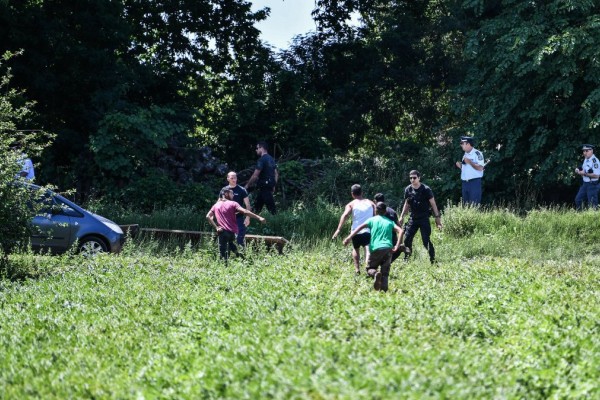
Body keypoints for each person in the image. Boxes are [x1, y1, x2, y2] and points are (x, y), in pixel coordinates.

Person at [343, 202, 403, 292]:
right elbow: (401, 231)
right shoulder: (390, 222)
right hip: (388, 249)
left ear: (376, 211)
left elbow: (358, 228)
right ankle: (384, 291)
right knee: (385, 273)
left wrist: (349, 238)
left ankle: (375, 274)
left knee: (370, 269)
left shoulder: (371, 220)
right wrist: (397, 245)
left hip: (376, 249)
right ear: (385, 211)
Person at [206, 187, 266, 261]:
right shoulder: (233, 203)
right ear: (226, 194)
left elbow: (208, 216)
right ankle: (243, 260)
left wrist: (216, 227)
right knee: (233, 248)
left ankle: (231, 263)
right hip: (232, 233)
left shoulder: (216, 205)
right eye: (231, 193)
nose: (233, 195)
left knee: (223, 254)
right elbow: (245, 211)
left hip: (222, 232)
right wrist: (259, 217)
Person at [399, 170, 443, 264]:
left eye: (414, 178)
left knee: (425, 240)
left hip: (424, 218)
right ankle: (407, 259)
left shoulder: (426, 189)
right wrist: (402, 216)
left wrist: (437, 218)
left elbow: (433, 204)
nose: (412, 180)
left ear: (419, 178)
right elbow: (406, 204)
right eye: (410, 178)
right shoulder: (408, 189)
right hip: (413, 218)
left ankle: (433, 260)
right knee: (407, 239)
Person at [332, 184, 375, 274]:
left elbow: (345, 215)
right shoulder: (370, 202)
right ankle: (368, 266)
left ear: (352, 194)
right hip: (368, 230)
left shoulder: (351, 204)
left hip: (355, 231)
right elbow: (376, 214)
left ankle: (357, 270)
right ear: (362, 192)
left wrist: (338, 229)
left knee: (356, 249)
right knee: (367, 248)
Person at [244, 141, 279, 215]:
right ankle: (253, 220)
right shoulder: (271, 159)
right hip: (267, 186)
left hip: (264, 186)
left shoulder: (261, 160)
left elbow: (255, 175)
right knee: (257, 206)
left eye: (257, 148)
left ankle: (278, 223)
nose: (256, 150)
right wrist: (273, 185)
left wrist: (247, 185)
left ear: (261, 148)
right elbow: (276, 173)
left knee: (272, 210)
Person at [222, 171, 252, 247]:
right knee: (226, 240)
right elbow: (219, 204)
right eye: (232, 178)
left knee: (240, 240)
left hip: (239, 218)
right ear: (228, 178)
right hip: (227, 219)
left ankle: (243, 258)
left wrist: (248, 218)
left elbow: (248, 205)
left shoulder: (242, 190)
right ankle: (226, 258)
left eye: (235, 178)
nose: (234, 180)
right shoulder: (224, 190)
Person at [373, 193, 404, 262]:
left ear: (375, 201)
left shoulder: (376, 212)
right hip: (393, 239)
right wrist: (400, 243)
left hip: (382, 240)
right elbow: (399, 226)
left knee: (380, 260)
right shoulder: (392, 211)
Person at [455, 135, 484, 205]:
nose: (461, 145)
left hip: (474, 183)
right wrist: (460, 166)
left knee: (474, 206)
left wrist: (470, 162)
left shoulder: (477, 153)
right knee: (466, 206)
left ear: (468, 144)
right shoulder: (465, 154)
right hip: (465, 183)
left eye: (462, 143)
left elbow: (480, 168)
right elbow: (467, 168)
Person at [574, 144, 600, 210]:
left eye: (586, 151)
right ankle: (581, 216)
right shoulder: (586, 159)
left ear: (592, 151)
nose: (584, 153)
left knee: (592, 205)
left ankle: (593, 218)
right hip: (585, 184)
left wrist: (585, 174)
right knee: (578, 200)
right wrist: (578, 171)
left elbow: (597, 175)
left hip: (592, 185)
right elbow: (584, 170)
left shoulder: (595, 161)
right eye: (583, 151)